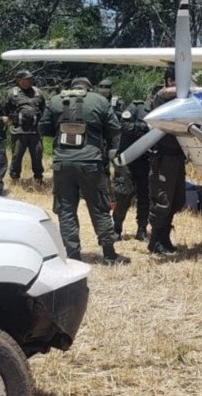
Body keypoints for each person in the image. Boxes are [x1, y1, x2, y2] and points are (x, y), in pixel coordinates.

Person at [39, 77, 129, 265]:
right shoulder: (100, 101)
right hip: (91, 162)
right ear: (89, 87)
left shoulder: (55, 101)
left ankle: (72, 255)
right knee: (99, 208)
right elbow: (114, 130)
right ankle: (109, 254)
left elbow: (44, 128)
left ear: (72, 87)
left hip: (62, 163)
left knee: (66, 209)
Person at [147, 66, 185, 256]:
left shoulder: (181, 100)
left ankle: (164, 238)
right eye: (179, 81)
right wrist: (195, 89)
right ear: (170, 81)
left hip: (178, 157)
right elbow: (164, 93)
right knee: (162, 202)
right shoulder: (160, 98)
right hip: (164, 158)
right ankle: (155, 242)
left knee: (177, 201)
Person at [112, 97, 151, 241]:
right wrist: (146, 128)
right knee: (124, 194)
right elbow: (124, 126)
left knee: (145, 196)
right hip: (128, 158)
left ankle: (142, 229)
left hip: (146, 160)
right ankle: (116, 227)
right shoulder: (136, 107)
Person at [5, 70, 46, 186]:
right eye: (27, 79)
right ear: (20, 80)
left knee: (37, 155)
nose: (30, 81)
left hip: (35, 131)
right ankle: (15, 179)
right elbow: (5, 109)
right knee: (17, 156)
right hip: (18, 130)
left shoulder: (38, 92)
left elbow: (44, 109)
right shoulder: (12, 93)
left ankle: (38, 179)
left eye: (31, 79)